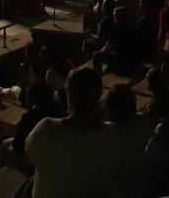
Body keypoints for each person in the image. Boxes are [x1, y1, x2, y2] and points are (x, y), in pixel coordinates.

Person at [25, 65, 123, 198]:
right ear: (100, 94)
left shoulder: (46, 128)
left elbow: (29, 154)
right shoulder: (114, 134)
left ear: (69, 95)